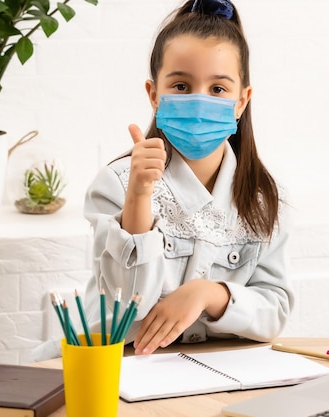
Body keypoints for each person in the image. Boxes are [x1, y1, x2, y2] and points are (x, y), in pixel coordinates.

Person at [83, 0, 293, 355]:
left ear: (242, 101)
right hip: (123, 366)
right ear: (154, 95)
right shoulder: (116, 183)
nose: (199, 101)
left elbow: (274, 312)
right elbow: (123, 307)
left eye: (218, 89)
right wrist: (138, 196)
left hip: (216, 371)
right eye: (181, 86)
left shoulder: (262, 198)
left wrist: (209, 294)